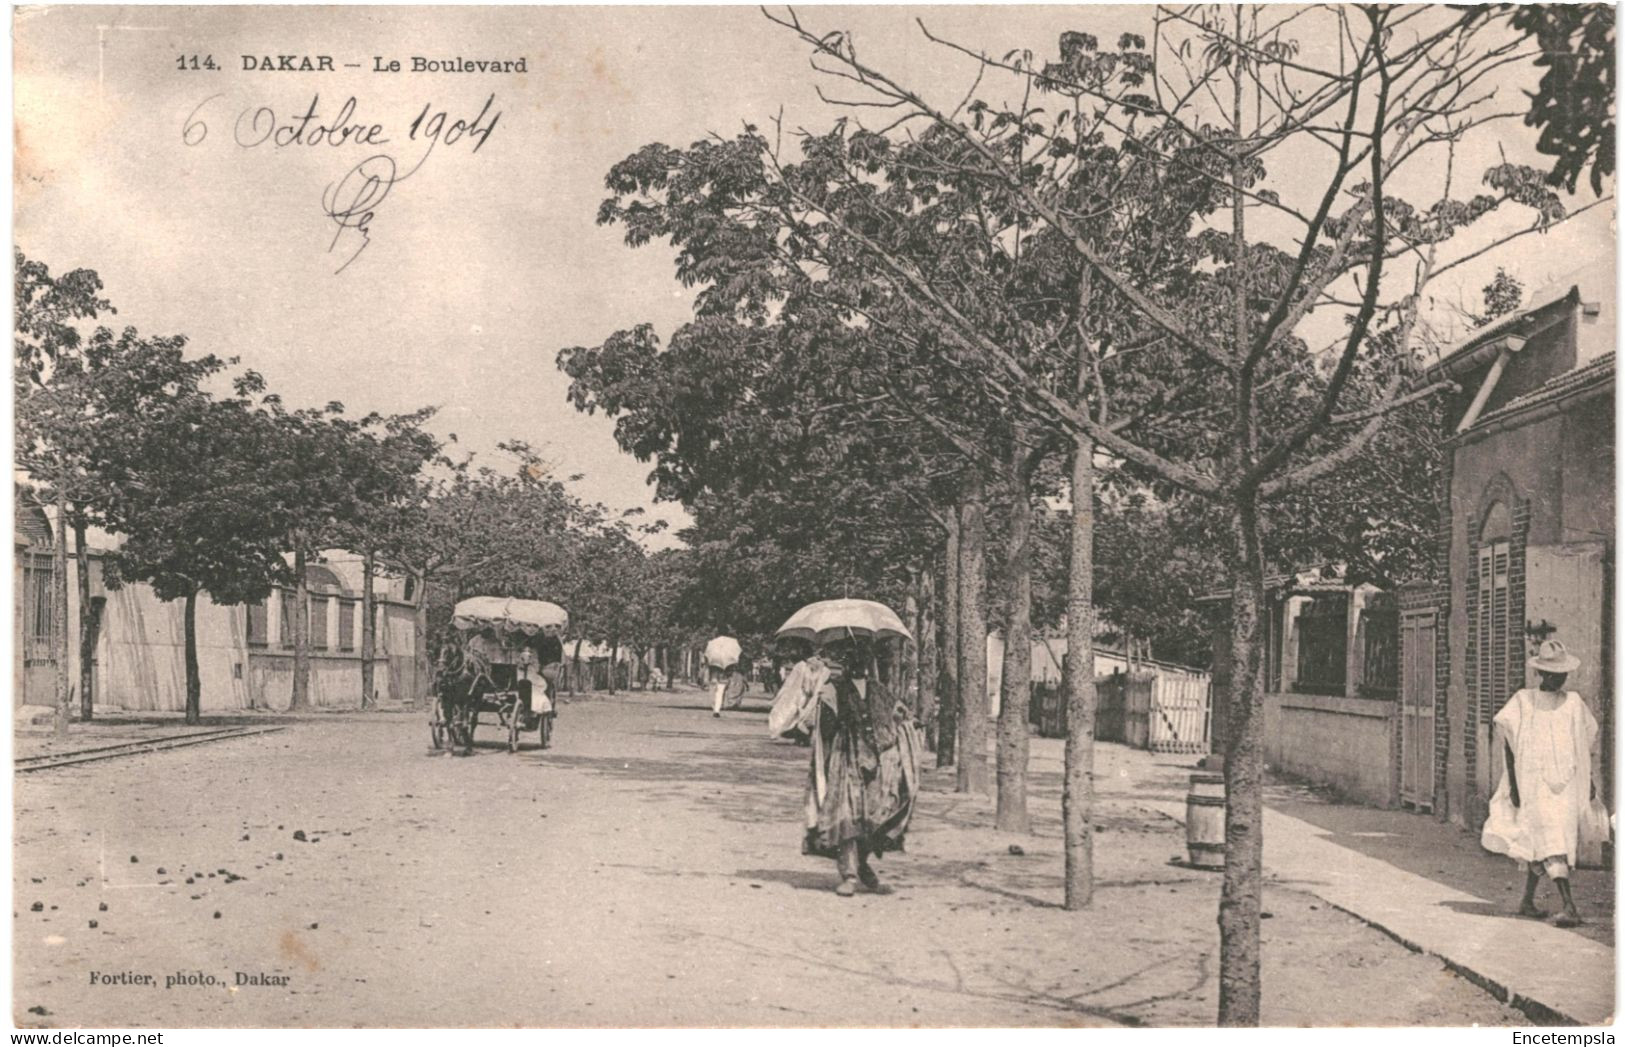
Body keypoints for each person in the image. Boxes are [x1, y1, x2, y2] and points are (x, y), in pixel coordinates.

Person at [1481, 640, 1599, 928]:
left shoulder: (1573, 704)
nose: (1558, 679)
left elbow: (1584, 745)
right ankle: (1569, 906)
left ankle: (1526, 901)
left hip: (1566, 784)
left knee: (1547, 838)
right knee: (1551, 839)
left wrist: (1589, 780)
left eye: (1562, 674)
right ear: (1541, 674)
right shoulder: (1523, 701)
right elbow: (1508, 745)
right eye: (1552, 673)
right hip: (1534, 782)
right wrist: (1514, 785)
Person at [803, 640, 922, 896]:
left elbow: (898, 717)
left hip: (877, 761)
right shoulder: (833, 689)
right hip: (845, 758)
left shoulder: (879, 690)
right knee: (846, 815)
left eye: (863, 659)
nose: (858, 664)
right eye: (852, 659)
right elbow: (824, 729)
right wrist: (828, 709)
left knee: (875, 816)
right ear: (845, 663)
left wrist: (910, 722)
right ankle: (848, 874)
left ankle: (863, 864)